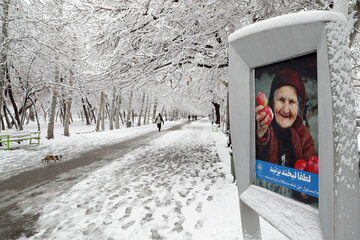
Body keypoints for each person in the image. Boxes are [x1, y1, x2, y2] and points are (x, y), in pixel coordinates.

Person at [255, 68, 317, 203]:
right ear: (272, 101)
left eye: (292, 102)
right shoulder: (266, 125)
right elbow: (261, 143)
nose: (286, 109)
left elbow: (312, 169)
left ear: (299, 106)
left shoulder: (303, 135)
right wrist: (261, 131)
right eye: (281, 100)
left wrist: (307, 191)